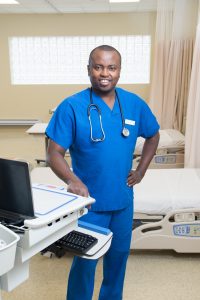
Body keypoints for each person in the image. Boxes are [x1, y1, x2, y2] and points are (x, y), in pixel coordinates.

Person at [45, 45, 160, 300]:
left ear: (119, 71)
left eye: (111, 67)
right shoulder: (71, 106)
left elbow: (153, 135)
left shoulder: (133, 104)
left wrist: (141, 171)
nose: (104, 73)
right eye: (98, 67)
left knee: (118, 260)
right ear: (88, 70)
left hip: (122, 201)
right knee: (86, 262)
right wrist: (72, 180)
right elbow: (53, 153)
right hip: (89, 205)